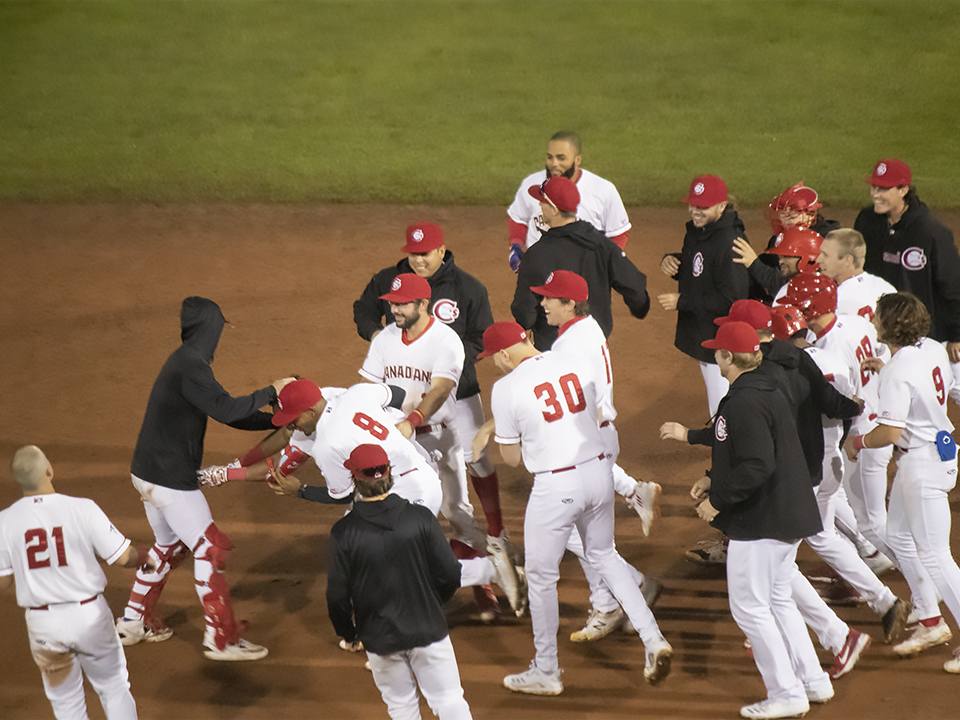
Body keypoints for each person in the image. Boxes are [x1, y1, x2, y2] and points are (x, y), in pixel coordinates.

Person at [480, 321, 672, 695]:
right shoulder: (574, 362)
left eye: (494, 359)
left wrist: (523, 433)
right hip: (599, 472)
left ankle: (546, 670)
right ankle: (653, 640)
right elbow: (597, 413)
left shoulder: (505, 388)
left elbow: (512, 458)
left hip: (556, 486)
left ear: (504, 355)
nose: (496, 365)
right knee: (606, 556)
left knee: (540, 579)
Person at [250, 379, 525, 618]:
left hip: (405, 494)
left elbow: (342, 495)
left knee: (401, 567)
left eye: (295, 418)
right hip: (417, 474)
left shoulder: (327, 444)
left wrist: (299, 490)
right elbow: (396, 393)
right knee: (365, 551)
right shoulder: (355, 395)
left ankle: (487, 571)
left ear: (311, 411)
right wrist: (395, 421)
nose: (292, 426)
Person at [116, 296, 295, 660]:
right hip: (168, 479)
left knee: (167, 547)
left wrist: (275, 420)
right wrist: (272, 392)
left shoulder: (186, 363)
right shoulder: (190, 365)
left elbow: (227, 411)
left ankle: (133, 621)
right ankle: (220, 638)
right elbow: (227, 409)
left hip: (147, 473)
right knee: (209, 549)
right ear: (210, 328)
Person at [689, 322, 833, 719]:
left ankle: (786, 693)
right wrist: (712, 477)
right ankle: (813, 680)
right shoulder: (766, 389)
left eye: (717, 350)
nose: (713, 355)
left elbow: (757, 464)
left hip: (763, 519)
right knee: (778, 600)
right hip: (788, 512)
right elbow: (753, 453)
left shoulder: (743, 401)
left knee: (751, 608)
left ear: (727, 357)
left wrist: (718, 501)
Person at [353, 222, 507, 566]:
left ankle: (497, 533)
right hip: (409, 395)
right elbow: (362, 309)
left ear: (441, 250)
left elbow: (481, 337)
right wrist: (378, 335)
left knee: (476, 457)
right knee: (424, 472)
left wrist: (440, 363)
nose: (418, 260)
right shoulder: (391, 281)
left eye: (424, 254)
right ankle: (455, 546)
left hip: (459, 390)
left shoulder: (468, 288)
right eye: (412, 253)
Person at [527, 269, 663, 642]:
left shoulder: (569, 345)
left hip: (588, 441)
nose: (542, 303)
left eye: (549, 298)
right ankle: (621, 590)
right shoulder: (586, 328)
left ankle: (616, 597)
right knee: (583, 533)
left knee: (573, 532)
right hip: (598, 438)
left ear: (570, 304)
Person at [358, 271, 498, 621]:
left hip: (438, 435)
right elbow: (368, 386)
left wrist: (414, 419)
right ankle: (421, 594)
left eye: (402, 304)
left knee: (458, 513)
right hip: (400, 444)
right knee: (411, 517)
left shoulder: (446, 340)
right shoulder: (385, 339)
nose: (395, 311)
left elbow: (439, 389)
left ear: (423, 303)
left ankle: (485, 576)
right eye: (392, 304)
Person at [844, 293, 960, 673]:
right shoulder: (930, 349)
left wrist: (859, 441)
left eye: (877, 316)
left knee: (937, 556)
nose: (872, 320)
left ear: (888, 326)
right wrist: (887, 368)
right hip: (936, 450)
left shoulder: (898, 370)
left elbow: (890, 432)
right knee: (897, 536)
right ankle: (930, 618)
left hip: (922, 463)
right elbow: (915, 379)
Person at [0, 446, 156, 720]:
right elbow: (121, 557)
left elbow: (2, 582)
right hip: (89, 616)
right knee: (114, 688)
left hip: (43, 625)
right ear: (49, 470)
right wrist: (144, 556)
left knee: (66, 703)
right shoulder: (81, 508)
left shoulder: (4, 522)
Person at [327, 443, 473, 720]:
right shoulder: (420, 518)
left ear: (355, 479)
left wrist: (349, 634)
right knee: (449, 700)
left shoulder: (343, 532)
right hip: (428, 628)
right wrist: (432, 603)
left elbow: (336, 596)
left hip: (379, 636)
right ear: (389, 473)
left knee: (402, 708)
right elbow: (451, 573)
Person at [511, 176, 649, 351]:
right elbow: (636, 289)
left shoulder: (536, 255)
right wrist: (640, 308)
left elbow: (524, 315)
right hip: (595, 346)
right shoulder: (602, 245)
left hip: (554, 351)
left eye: (542, 202)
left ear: (554, 210)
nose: (539, 205)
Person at [659, 174, 749, 417]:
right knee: (719, 405)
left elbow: (732, 301)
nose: (695, 211)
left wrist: (682, 302)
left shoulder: (730, 243)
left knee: (723, 411)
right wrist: (675, 262)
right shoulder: (701, 232)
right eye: (693, 204)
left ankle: (730, 452)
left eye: (703, 206)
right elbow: (702, 268)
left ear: (721, 206)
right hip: (707, 332)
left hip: (724, 342)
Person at [854, 158, 960, 361]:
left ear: (903, 190)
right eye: (874, 187)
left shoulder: (930, 232)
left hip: (923, 335)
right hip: (880, 326)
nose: (874, 194)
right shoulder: (867, 220)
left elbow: (953, 286)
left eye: (883, 189)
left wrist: (957, 334)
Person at [507, 130, 631, 272]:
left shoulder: (603, 190)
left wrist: (604, 263)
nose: (554, 164)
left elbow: (618, 232)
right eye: (550, 157)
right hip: (540, 268)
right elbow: (519, 218)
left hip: (584, 272)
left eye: (561, 158)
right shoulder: (531, 184)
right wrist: (516, 247)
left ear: (577, 160)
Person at [735, 182, 839, 303]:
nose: (785, 218)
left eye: (793, 213)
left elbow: (790, 285)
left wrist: (754, 265)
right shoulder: (780, 238)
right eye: (783, 212)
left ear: (810, 215)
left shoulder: (820, 244)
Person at [815, 228, 897, 321]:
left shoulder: (836, 298)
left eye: (825, 255)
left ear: (847, 260)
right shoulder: (887, 288)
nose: (818, 260)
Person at [734, 226, 824, 304]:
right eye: (781, 257)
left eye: (786, 257)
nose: (780, 261)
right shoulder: (792, 284)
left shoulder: (819, 293)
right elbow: (776, 281)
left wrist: (755, 264)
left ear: (809, 259)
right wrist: (754, 264)